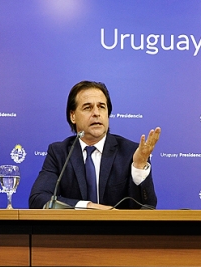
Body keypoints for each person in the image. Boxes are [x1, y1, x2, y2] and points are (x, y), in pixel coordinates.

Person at [29, 81, 159, 209]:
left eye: (102, 107)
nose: (96, 113)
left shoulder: (130, 152)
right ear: (73, 116)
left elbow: (146, 208)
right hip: (73, 230)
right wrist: (88, 206)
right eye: (88, 107)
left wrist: (139, 167)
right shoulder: (59, 153)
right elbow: (38, 199)